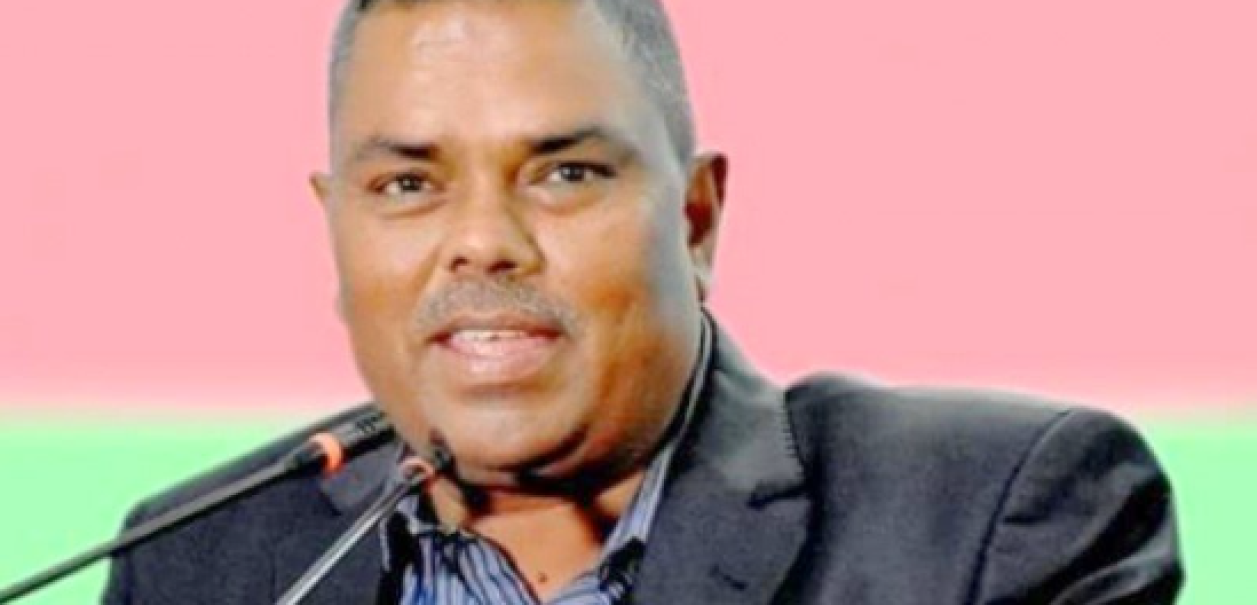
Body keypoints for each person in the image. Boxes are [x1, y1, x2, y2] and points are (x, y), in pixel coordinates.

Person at [102, 0, 1182, 603]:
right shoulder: (196, 560)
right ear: (335, 224)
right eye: (407, 185)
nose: (482, 240)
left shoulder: (992, 522)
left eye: (564, 172)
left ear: (696, 218)